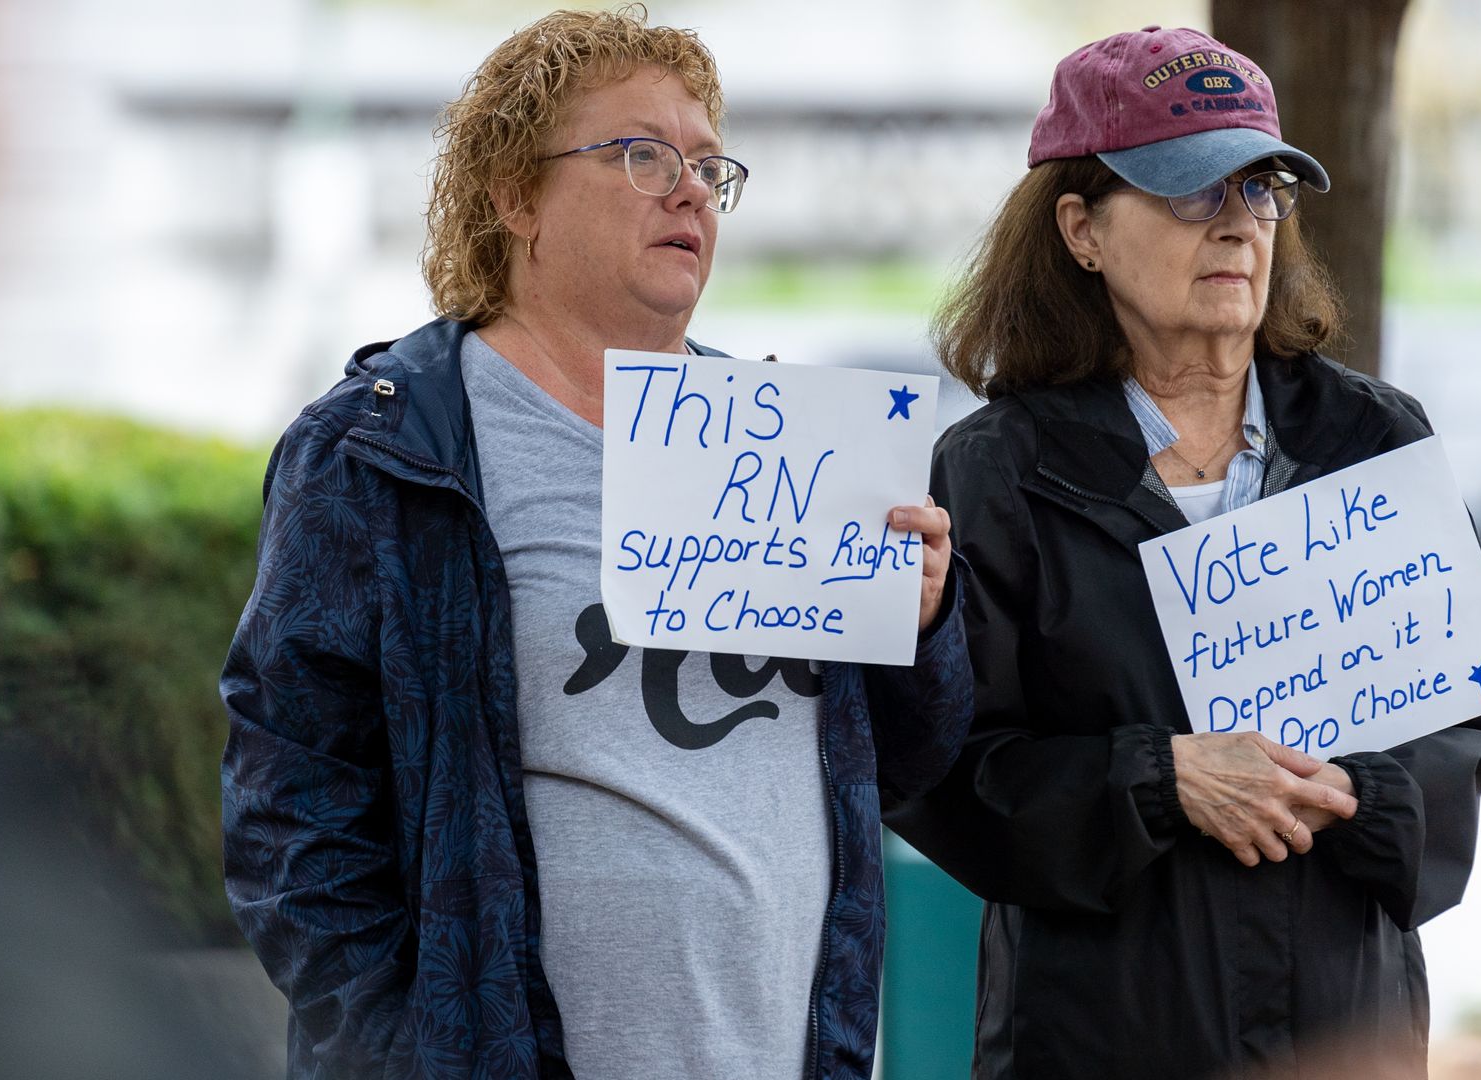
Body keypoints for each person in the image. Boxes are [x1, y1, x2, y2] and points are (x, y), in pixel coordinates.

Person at [220, 9, 972, 1079]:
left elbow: (910, 765)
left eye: (712, 167)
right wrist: (407, 1054)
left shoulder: (788, 446)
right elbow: (291, 815)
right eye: (643, 155)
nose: (693, 191)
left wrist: (927, 621)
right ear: (515, 194)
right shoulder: (383, 451)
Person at [884, 26, 1481, 1080]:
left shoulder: (1371, 440)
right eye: (1194, 193)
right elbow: (947, 778)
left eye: (1263, 190)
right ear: (1081, 229)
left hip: (1345, 1040)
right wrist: (1162, 780)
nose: (1239, 226)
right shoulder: (995, 473)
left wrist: (1353, 791)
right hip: (1098, 1044)